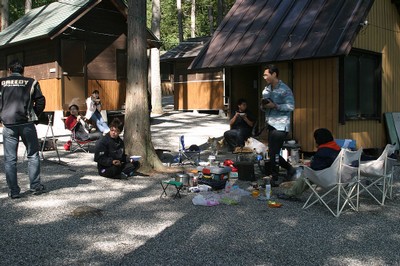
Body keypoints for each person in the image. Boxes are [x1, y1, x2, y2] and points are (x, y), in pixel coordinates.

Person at [0, 59, 46, 199]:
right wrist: (35, 115)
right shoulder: (31, 82)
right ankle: (35, 186)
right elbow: (41, 101)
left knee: (10, 159)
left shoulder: (1, 82)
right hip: (27, 123)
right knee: (32, 155)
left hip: (8, 124)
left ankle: (14, 191)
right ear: (23, 70)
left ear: (9, 70)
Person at [277, 128, 341, 201]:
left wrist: (308, 165)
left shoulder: (324, 151)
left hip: (328, 179)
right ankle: (293, 193)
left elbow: (315, 167)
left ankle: (290, 193)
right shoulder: (337, 148)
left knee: (306, 173)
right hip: (339, 177)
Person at [261, 64, 295, 186]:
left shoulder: (285, 89)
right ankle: (289, 169)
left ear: (274, 74)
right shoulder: (266, 90)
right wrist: (264, 106)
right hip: (270, 123)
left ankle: (274, 177)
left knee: (274, 152)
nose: (264, 77)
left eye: (266, 74)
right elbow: (264, 108)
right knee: (272, 152)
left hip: (281, 125)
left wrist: (275, 106)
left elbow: (291, 107)